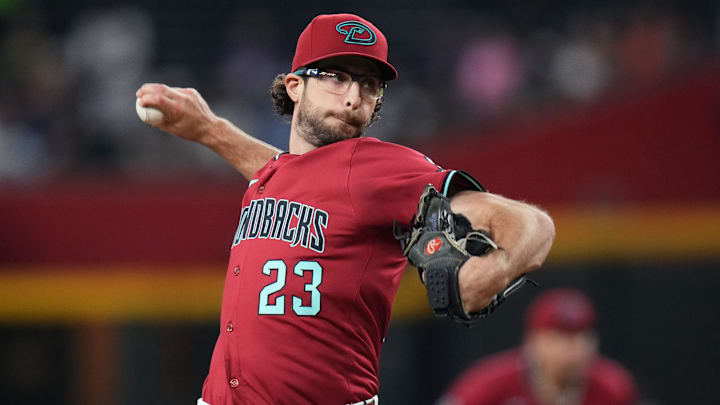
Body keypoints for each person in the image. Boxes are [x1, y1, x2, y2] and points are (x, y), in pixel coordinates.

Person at [135, 13, 555, 405]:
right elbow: (286, 171)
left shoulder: (379, 168)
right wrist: (211, 129)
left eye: (369, 84)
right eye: (336, 77)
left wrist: (497, 269)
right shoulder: (280, 174)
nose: (354, 96)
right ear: (295, 86)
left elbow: (533, 224)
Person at [437, 288, 638, 405]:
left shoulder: (612, 387)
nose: (571, 348)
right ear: (533, 341)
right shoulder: (490, 383)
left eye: (580, 337)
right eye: (559, 337)